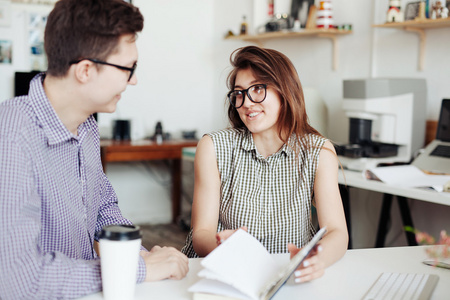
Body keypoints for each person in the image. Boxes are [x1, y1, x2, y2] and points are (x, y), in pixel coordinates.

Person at [0, 0, 188, 299]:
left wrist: (140, 256)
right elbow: (18, 279)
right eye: (129, 68)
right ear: (85, 70)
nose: (134, 79)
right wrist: (135, 270)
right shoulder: (10, 136)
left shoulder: (85, 126)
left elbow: (102, 209)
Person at [181, 46, 348, 283]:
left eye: (258, 89)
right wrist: (223, 248)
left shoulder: (318, 151)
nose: (247, 103)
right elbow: (201, 233)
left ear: (285, 91)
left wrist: (316, 258)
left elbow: (337, 232)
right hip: (224, 275)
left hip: (288, 277)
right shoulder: (213, 147)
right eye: (239, 93)